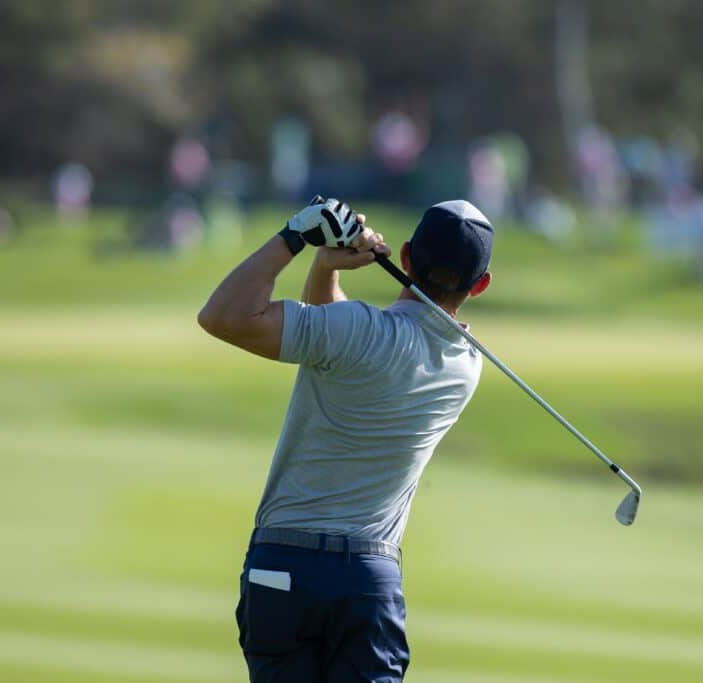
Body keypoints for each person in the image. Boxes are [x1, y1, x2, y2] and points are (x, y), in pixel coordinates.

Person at [198, 196, 493, 682]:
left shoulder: (354, 331)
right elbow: (341, 351)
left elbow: (223, 316)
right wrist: (325, 269)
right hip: (367, 581)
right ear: (479, 285)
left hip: (281, 570)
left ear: (403, 257)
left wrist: (296, 236)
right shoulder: (466, 366)